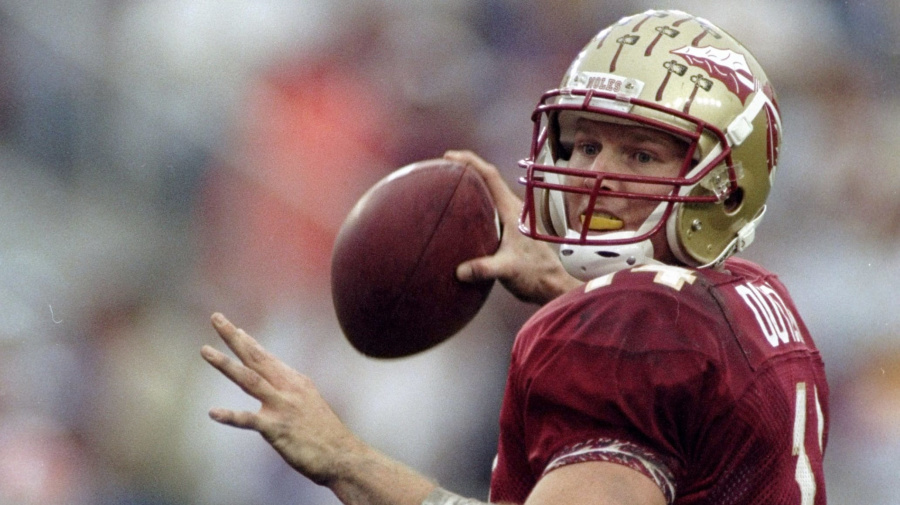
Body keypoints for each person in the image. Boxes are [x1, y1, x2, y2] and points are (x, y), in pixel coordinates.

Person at [201, 9, 829, 505]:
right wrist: (569, 284)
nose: (595, 178)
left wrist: (346, 459)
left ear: (725, 185)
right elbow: (684, 365)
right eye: (584, 144)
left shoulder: (619, 335)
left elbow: (648, 353)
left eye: (640, 155)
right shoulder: (757, 299)